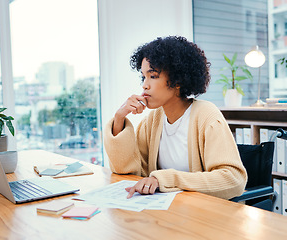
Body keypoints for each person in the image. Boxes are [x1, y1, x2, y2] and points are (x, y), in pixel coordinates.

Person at [104, 36, 247, 200]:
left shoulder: (207, 115)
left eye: (153, 76)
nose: (144, 85)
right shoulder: (152, 121)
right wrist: (119, 119)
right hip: (169, 211)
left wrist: (164, 179)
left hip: (205, 214)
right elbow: (131, 173)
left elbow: (233, 180)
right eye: (143, 76)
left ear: (177, 80)